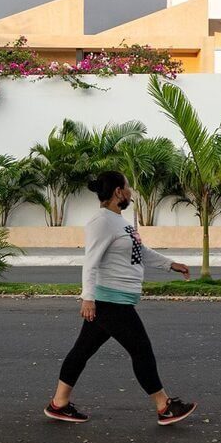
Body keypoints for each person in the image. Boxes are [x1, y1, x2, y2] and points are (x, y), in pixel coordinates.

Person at [44, 170, 197, 426]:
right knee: (142, 350)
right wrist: (88, 298)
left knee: (81, 351)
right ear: (118, 192)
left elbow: (141, 253)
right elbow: (90, 261)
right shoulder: (101, 221)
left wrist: (171, 265)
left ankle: (59, 404)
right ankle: (164, 406)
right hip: (110, 301)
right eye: (127, 187)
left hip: (115, 299)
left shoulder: (121, 222)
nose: (130, 192)